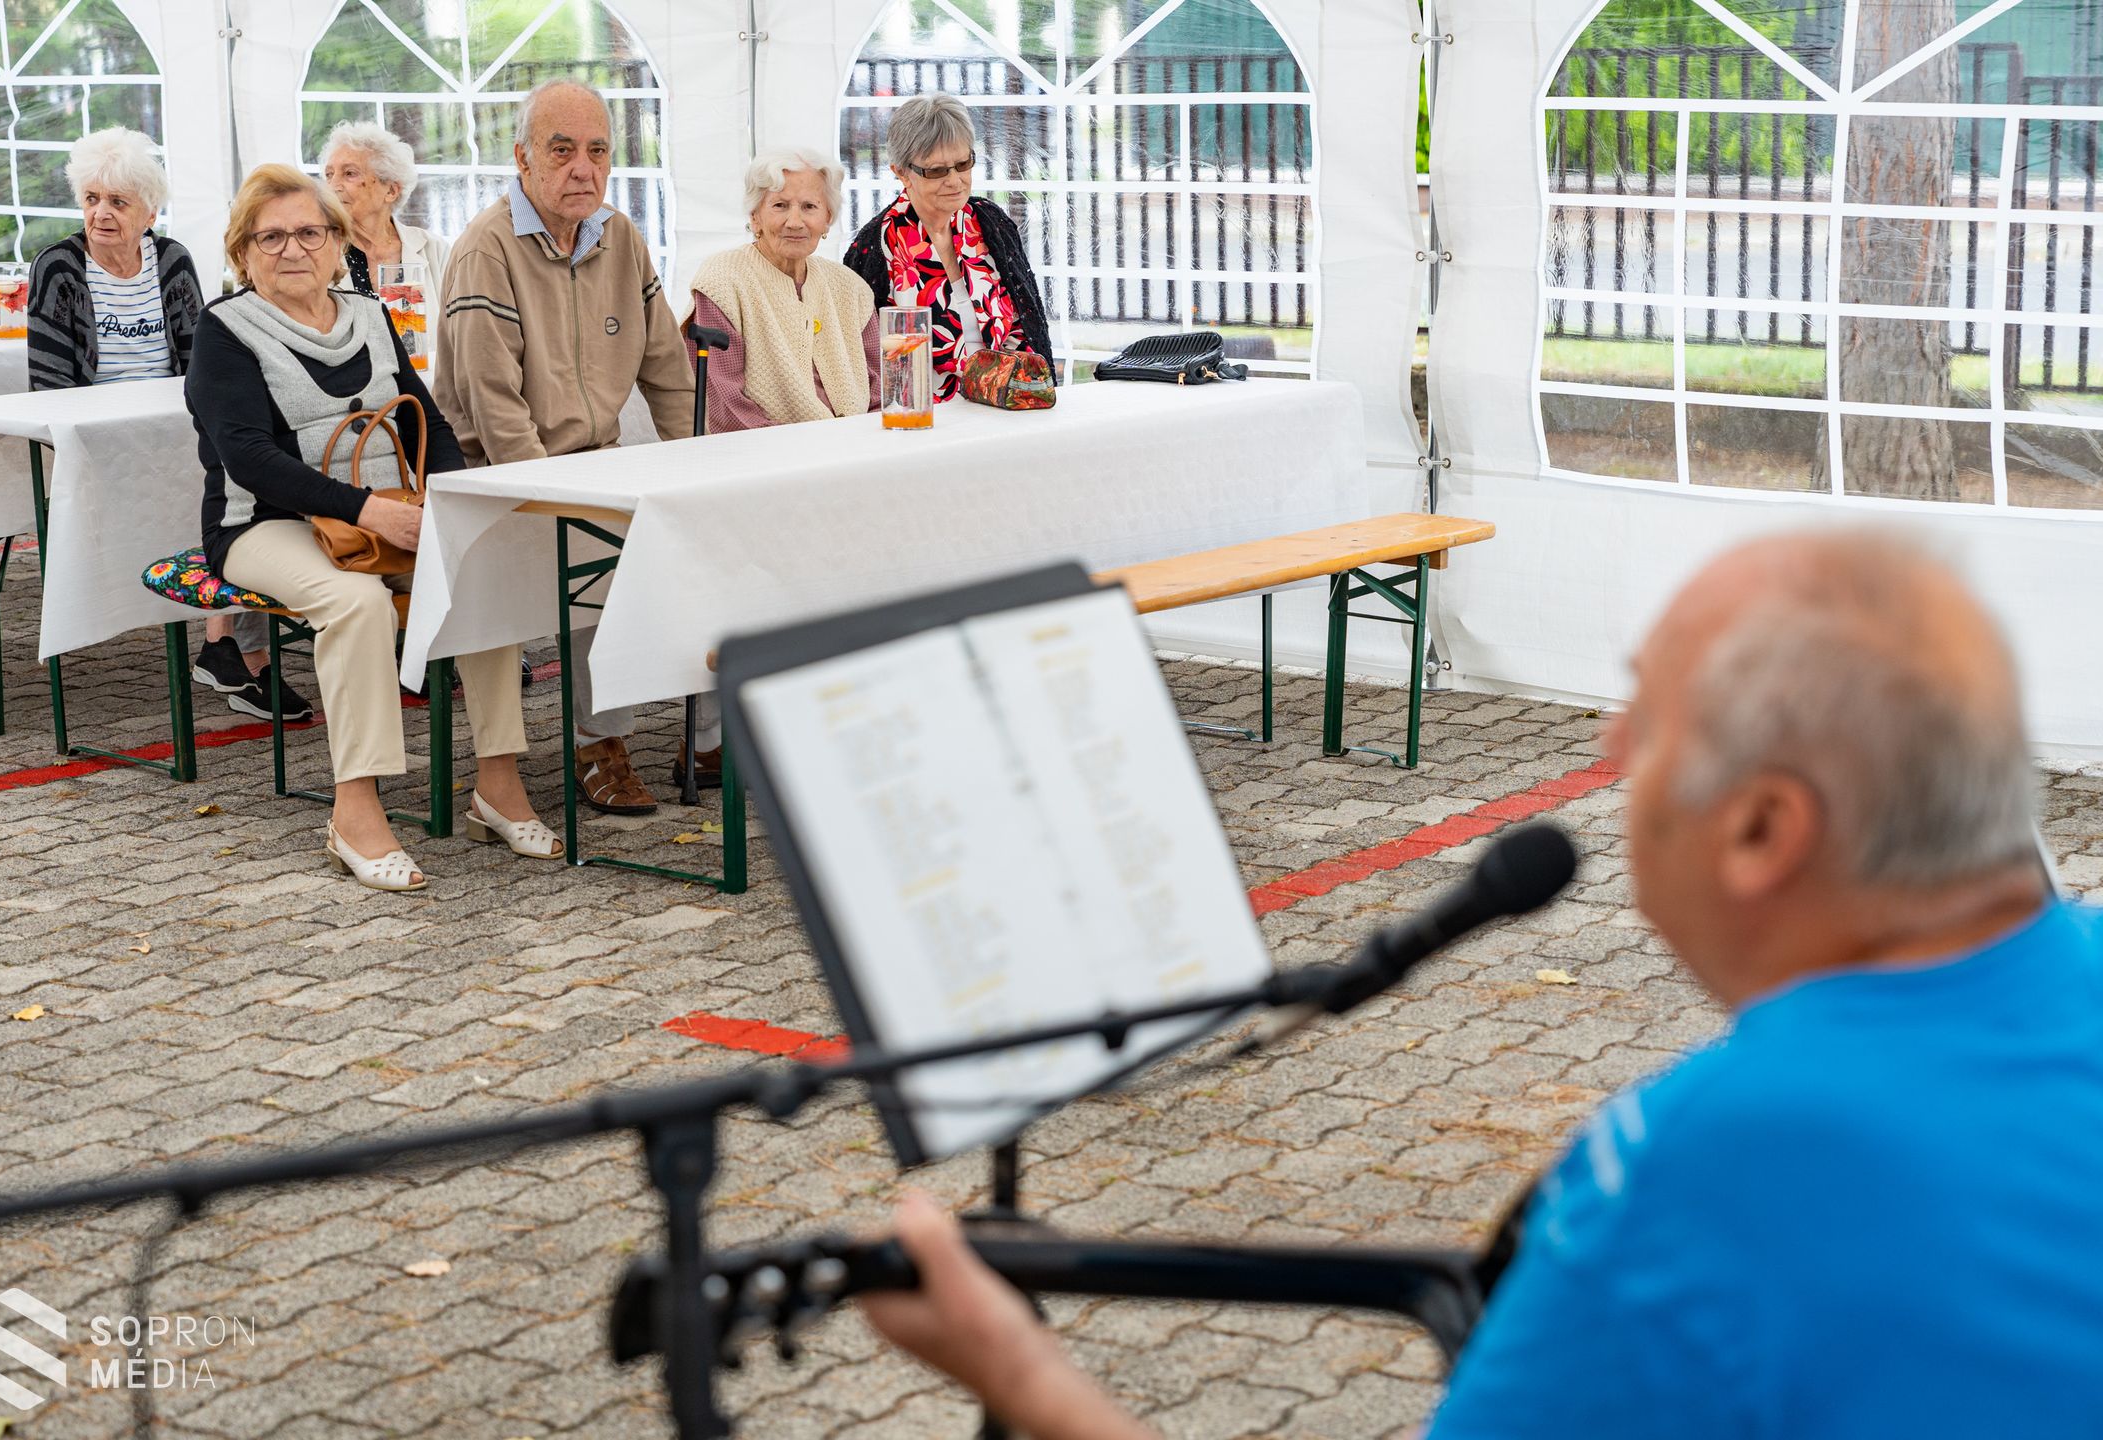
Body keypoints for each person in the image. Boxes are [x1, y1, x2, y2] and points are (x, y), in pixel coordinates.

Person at [858, 529, 2103, 1437]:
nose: (1611, 754)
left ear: (1765, 831)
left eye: (1648, 719)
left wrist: (1021, 1379)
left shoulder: (1707, 1165)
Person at [187, 164, 559, 892]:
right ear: (243, 252)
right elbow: (251, 459)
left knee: (477, 570)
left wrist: (445, 499)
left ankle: (498, 785)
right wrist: (368, 509)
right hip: (265, 524)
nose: (292, 249)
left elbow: (430, 420)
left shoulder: (370, 314)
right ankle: (354, 811)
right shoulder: (223, 331)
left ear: (336, 241)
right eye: (271, 237)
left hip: (385, 515)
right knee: (353, 603)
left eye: (309, 232)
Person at [434, 76, 704, 810]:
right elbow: (495, 411)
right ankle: (600, 745)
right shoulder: (485, 251)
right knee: (607, 555)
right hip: (494, 478)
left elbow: (670, 378)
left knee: (699, 537)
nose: (582, 168)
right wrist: (570, 498)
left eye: (597, 151)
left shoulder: (620, 238)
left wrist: (699, 471)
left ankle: (708, 737)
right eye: (562, 150)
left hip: (597, 467)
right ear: (522, 159)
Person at [25, 127, 305, 723]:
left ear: (149, 211)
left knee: (246, 476)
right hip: (98, 437)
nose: (101, 213)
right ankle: (227, 647)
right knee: (227, 480)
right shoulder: (58, 268)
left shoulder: (171, 260)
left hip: (175, 422)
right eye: (92, 199)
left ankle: (228, 644)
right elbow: (48, 386)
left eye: (118, 202)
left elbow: (202, 356)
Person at [841, 94, 1053, 401]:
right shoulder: (875, 246)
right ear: (901, 171)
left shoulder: (990, 223)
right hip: (921, 417)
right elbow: (864, 361)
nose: (954, 180)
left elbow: (1027, 324)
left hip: (1004, 406)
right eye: (937, 170)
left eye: (963, 164)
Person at [685, 149, 877, 433]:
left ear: (828, 218)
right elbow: (724, 405)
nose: (795, 222)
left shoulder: (851, 289)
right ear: (755, 215)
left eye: (809, 206)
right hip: (765, 460)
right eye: (780, 205)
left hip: (856, 452)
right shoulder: (722, 280)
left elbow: (881, 389)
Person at [319, 120, 451, 327]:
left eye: (349, 173)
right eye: (329, 175)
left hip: (422, 360)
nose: (332, 186)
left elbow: (457, 329)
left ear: (390, 191)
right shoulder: (318, 252)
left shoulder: (433, 249)